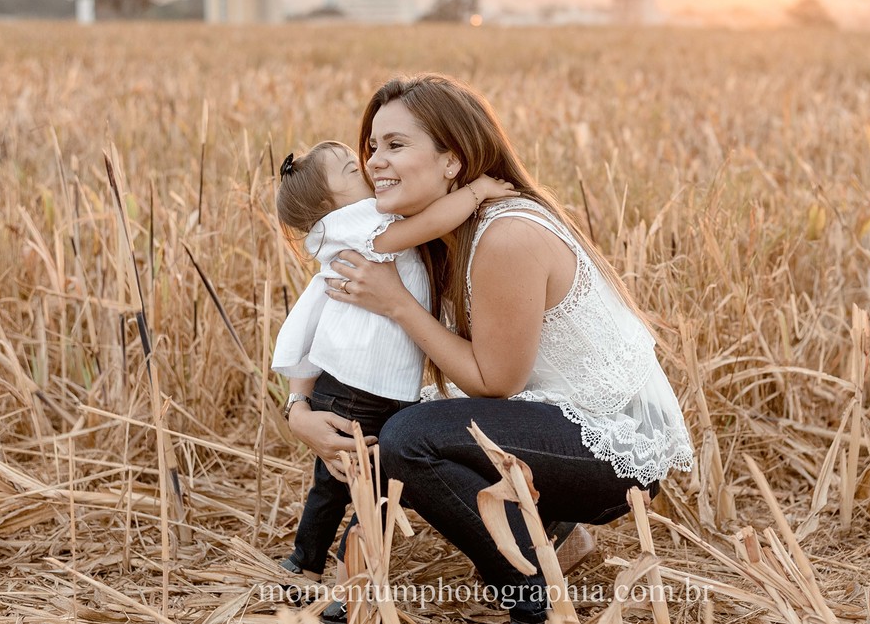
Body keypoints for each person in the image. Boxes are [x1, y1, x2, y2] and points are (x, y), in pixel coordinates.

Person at [287, 75, 694, 624]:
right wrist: (301, 412)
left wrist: (399, 305)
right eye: (372, 147)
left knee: (408, 438)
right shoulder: (431, 236)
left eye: (396, 145)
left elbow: (494, 382)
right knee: (390, 432)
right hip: (546, 421)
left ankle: (533, 591)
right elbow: (344, 352)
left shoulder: (505, 235)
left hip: (610, 447)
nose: (375, 161)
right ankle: (360, 583)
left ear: (452, 160)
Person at [270, 140, 517, 584]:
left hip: (379, 386)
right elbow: (427, 224)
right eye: (350, 170)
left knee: (368, 486)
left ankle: (340, 570)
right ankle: (311, 563)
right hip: (354, 390)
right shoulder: (356, 224)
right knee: (347, 485)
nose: (366, 168)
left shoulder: (358, 222)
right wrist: (475, 192)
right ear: (329, 206)